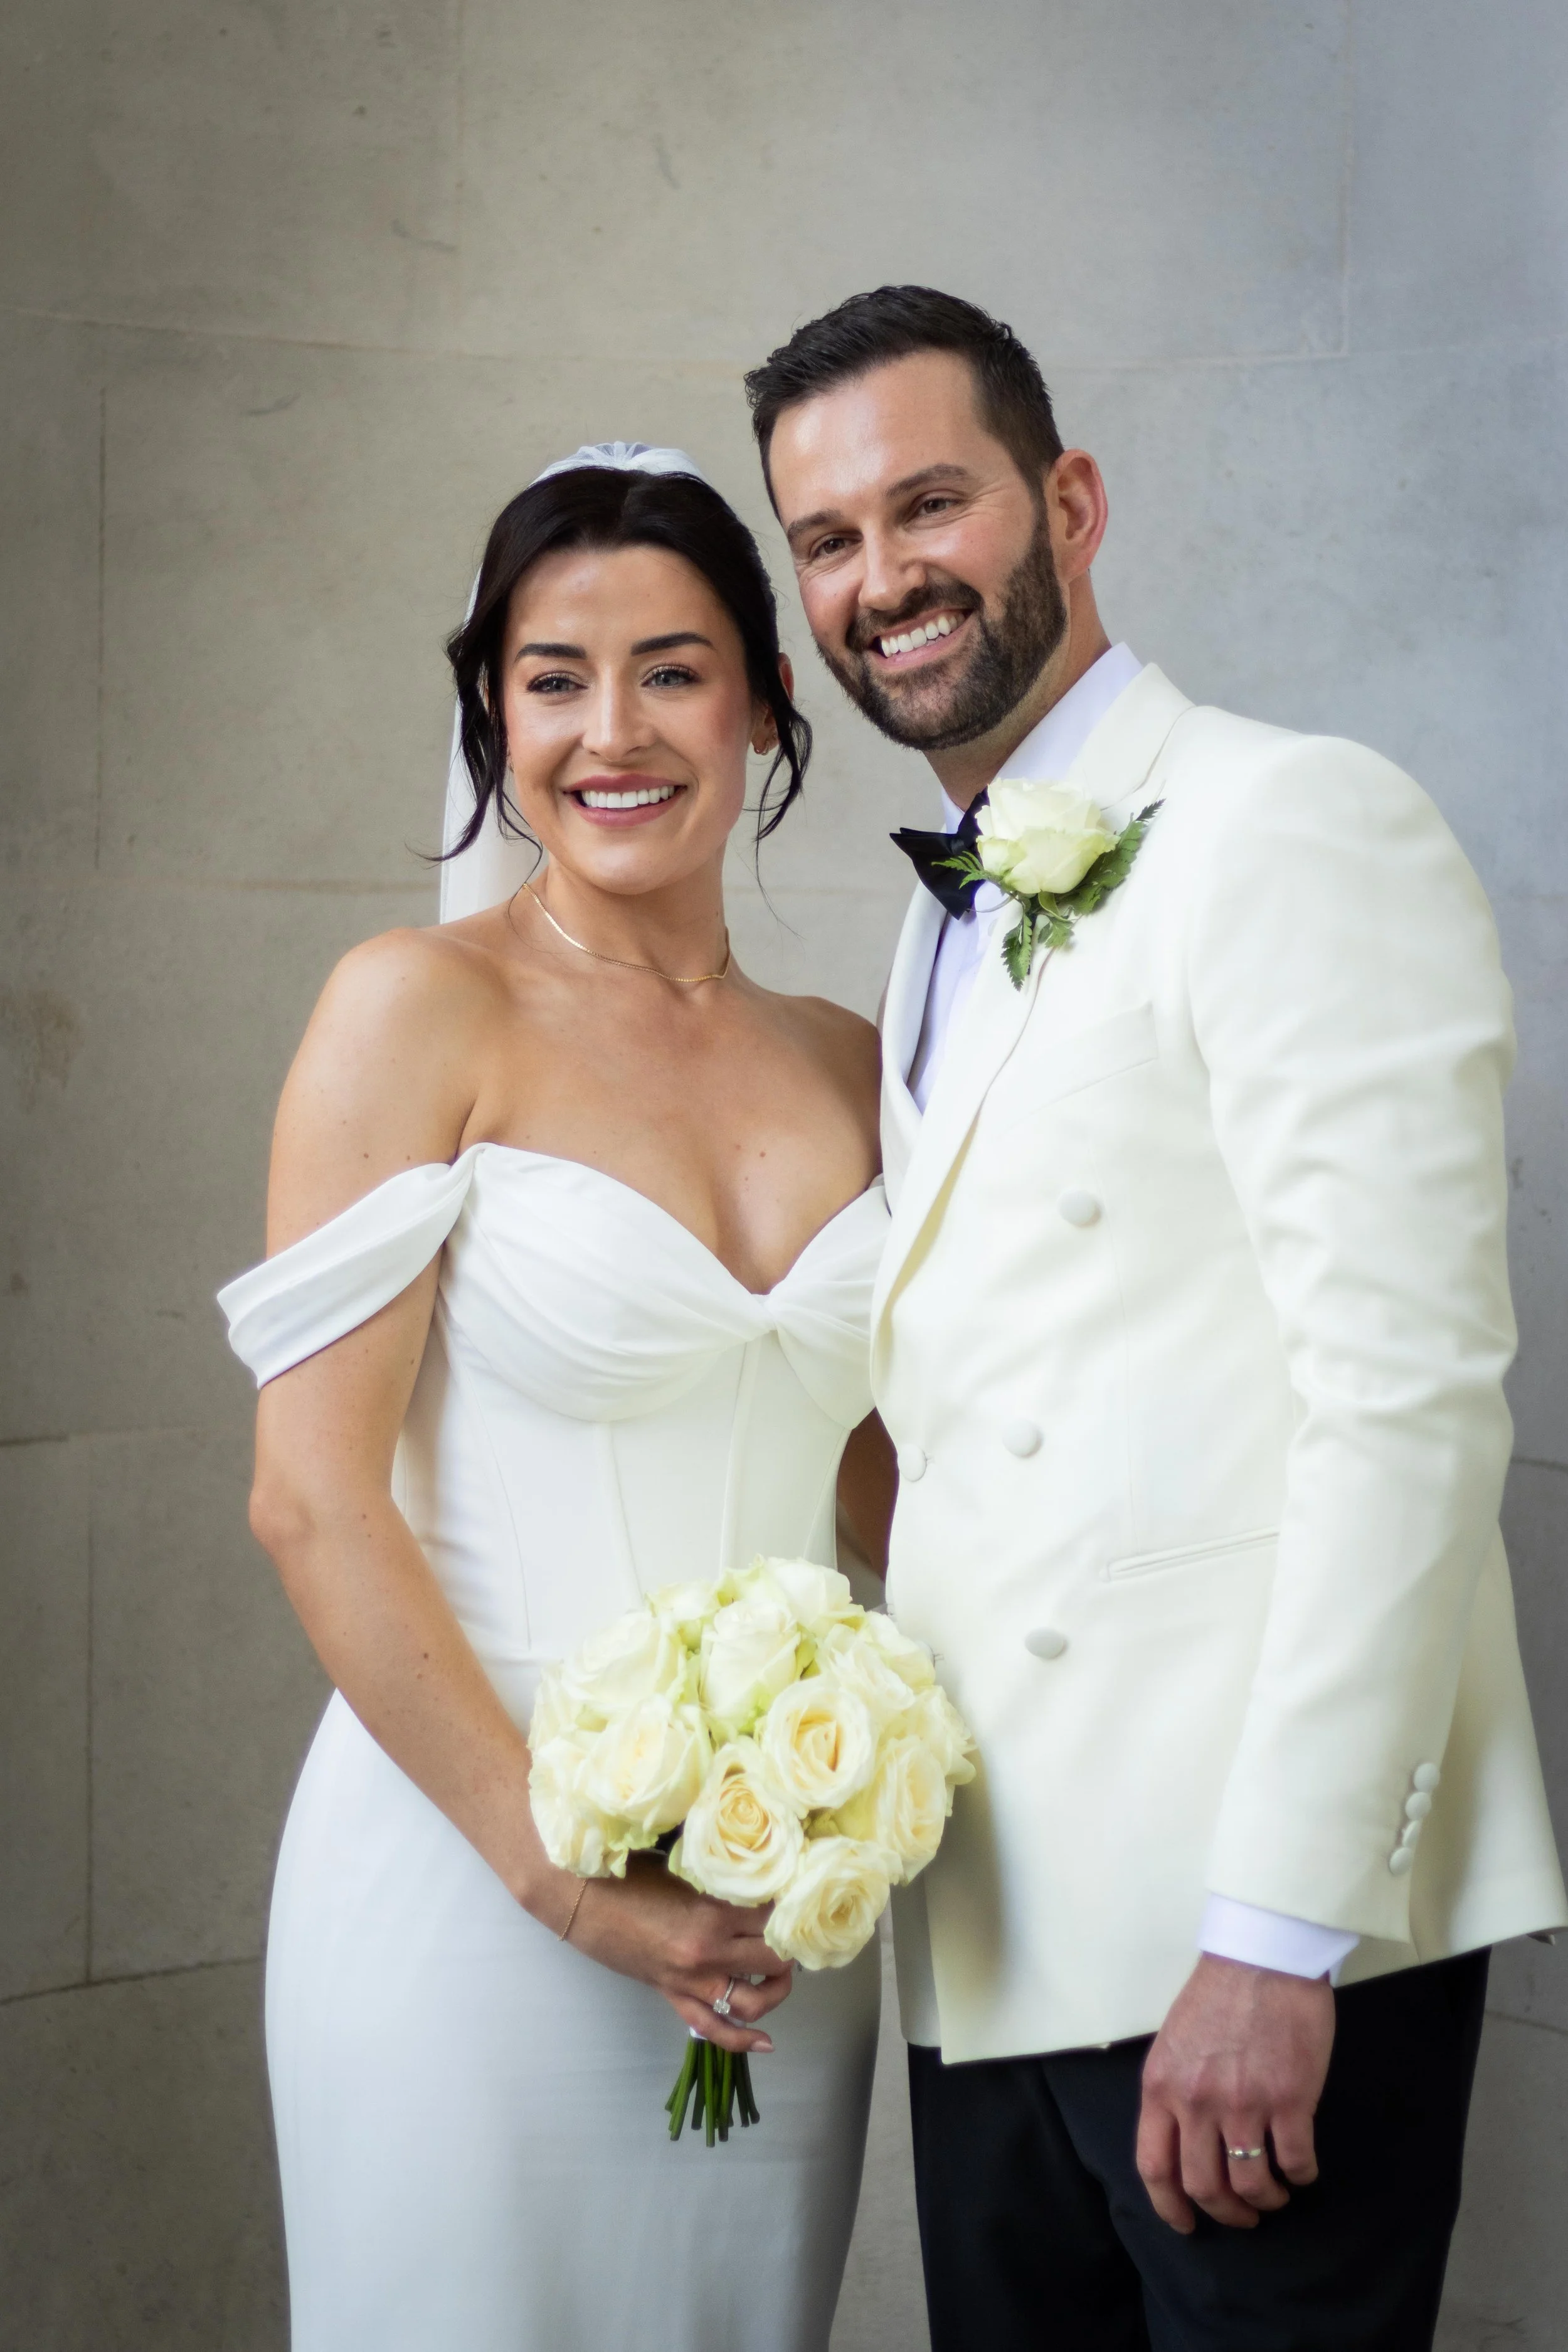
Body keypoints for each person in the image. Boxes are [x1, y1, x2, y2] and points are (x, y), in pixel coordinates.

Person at [746, 287, 1568, 2351]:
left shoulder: (1295, 819)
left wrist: (1274, 1935)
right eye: (826, 541)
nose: (884, 579)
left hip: (1248, 1949)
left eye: (928, 503)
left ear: (1070, 502)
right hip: (999, 1933)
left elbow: (1408, 1405)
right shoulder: (929, 919)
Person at [218, 443, 898, 2352]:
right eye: (552, 677)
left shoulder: (853, 1061)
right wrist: (564, 1878)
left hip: (784, 1904)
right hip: (467, 1880)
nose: (614, 730)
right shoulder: (412, 1011)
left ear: (767, 703)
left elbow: (874, 1475)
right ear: (490, 713)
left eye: (674, 669)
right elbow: (312, 1499)